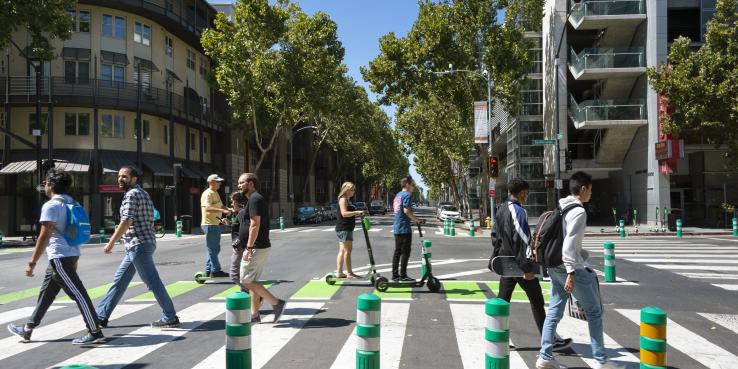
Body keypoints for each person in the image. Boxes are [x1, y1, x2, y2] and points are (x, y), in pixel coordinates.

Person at [536, 172, 624, 369]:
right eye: (590, 189)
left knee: (554, 312)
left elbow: (566, 242)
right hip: (567, 268)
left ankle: (544, 356)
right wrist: (571, 272)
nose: (591, 193)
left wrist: (580, 255)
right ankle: (601, 361)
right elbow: (568, 246)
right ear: (583, 188)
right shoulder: (578, 211)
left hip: (553, 265)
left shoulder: (562, 206)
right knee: (594, 312)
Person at [7, 169, 104, 344]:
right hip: (69, 254)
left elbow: (44, 236)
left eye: (45, 183)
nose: (44, 186)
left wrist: (32, 263)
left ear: (51, 184)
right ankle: (28, 329)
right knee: (47, 294)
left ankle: (95, 331)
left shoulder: (51, 206)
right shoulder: (73, 203)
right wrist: (75, 259)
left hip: (59, 257)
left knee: (79, 294)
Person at [492, 178, 572, 352]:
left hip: (506, 263)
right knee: (536, 301)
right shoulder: (519, 211)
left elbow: (495, 237)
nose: (526, 197)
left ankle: (499, 339)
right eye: (526, 194)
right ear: (521, 193)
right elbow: (522, 240)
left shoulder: (500, 209)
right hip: (519, 265)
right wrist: (527, 268)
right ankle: (549, 341)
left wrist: (500, 257)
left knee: (502, 301)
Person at [96, 165, 180, 328]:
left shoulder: (132, 194)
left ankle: (170, 315)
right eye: (119, 176)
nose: (120, 179)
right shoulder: (142, 193)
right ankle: (101, 316)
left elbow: (127, 220)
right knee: (119, 281)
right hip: (139, 244)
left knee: (152, 282)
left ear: (134, 179)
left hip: (138, 244)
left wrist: (111, 242)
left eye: (125, 177)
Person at [238, 173, 285, 323]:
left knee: (246, 280)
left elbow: (255, 224)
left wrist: (249, 248)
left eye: (242, 182)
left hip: (256, 247)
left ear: (251, 183)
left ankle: (277, 303)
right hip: (260, 246)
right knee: (253, 281)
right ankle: (255, 314)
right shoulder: (253, 199)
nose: (239, 185)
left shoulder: (255, 199)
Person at [391, 176, 422, 282]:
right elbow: (406, 211)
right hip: (404, 228)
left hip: (397, 226)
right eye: (412, 184)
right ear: (407, 184)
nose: (413, 187)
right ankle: (403, 275)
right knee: (405, 252)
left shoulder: (398, 195)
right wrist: (417, 220)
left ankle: (395, 275)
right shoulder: (407, 195)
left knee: (397, 252)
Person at [201, 174, 232, 278]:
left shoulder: (216, 193)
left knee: (215, 249)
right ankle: (216, 270)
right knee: (213, 249)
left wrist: (228, 208)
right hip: (209, 224)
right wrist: (222, 210)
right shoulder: (208, 194)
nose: (219, 183)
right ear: (211, 182)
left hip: (214, 224)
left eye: (219, 181)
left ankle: (208, 270)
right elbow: (207, 208)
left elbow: (221, 205)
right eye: (217, 181)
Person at [335, 182, 365, 278]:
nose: (354, 192)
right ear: (347, 190)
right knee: (347, 251)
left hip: (345, 228)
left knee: (343, 250)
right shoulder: (343, 199)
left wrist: (357, 213)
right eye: (352, 190)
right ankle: (349, 272)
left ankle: (340, 272)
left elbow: (349, 213)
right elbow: (344, 213)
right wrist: (356, 212)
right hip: (344, 228)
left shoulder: (347, 200)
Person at [228, 191, 249, 292]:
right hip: (240, 247)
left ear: (237, 202)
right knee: (242, 273)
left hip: (239, 248)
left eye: (232, 201)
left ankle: (255, 293)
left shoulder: (242, 213)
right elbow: (239, 228)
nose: (231, 204)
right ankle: (248, 293)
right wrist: (230, 224)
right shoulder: (242, 213)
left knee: (234, 275)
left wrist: (240, 245)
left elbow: (244, 230)